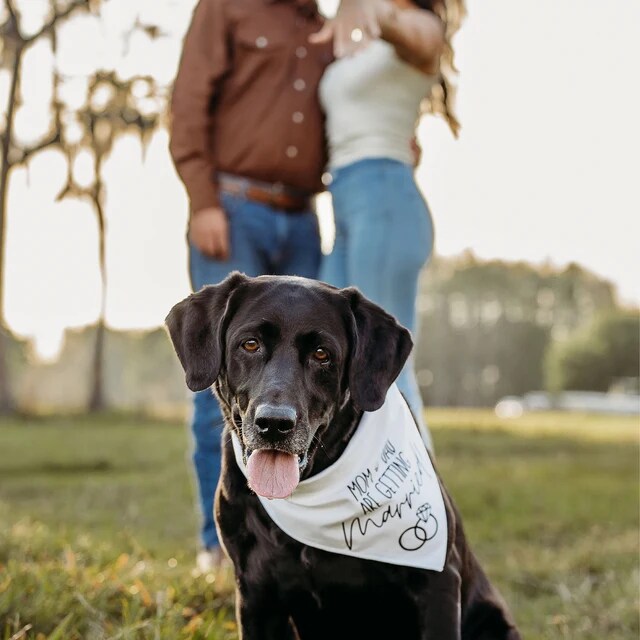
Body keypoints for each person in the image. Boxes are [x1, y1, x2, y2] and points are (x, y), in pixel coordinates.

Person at [169, 0, 334, 570]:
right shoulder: (226, 7)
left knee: (305, 387)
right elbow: (188, 102)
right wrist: (203, 200)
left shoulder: (324, 26)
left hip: (305, 220)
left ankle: (293, 545)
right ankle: (221, 549)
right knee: (222, 376)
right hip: (235, 210)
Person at [314, 0, 464, 450]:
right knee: (329, 351)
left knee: (386, 363)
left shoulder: (419, 25)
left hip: (384, 199)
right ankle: (357, 496)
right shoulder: (363, 34)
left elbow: (420, 38)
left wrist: (372, 8)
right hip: (346, 205)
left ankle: (423, 502)